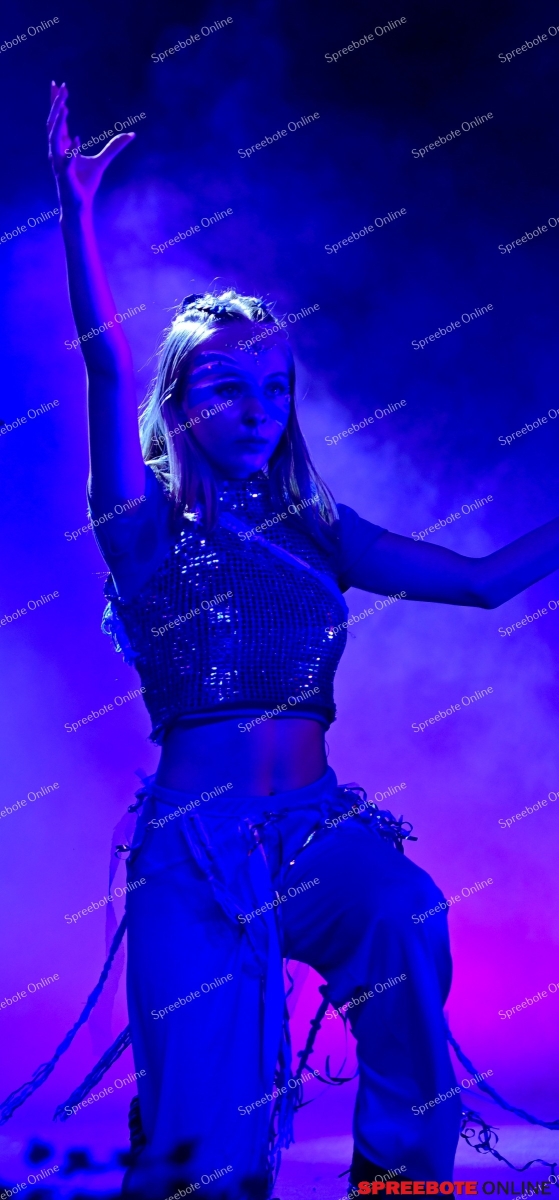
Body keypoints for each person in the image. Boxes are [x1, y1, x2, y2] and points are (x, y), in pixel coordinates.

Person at [46, 81, 559, 1199]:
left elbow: (480, 586)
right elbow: (105, 368)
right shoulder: (141, 531)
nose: (256, 409)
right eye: (226, 389)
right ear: (181, 404)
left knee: (404, 912)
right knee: (208, 1163)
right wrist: (75, 212)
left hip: (317, 832)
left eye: (274, 388)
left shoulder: (319, 529)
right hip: (195, 853)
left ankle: (398, 1184)